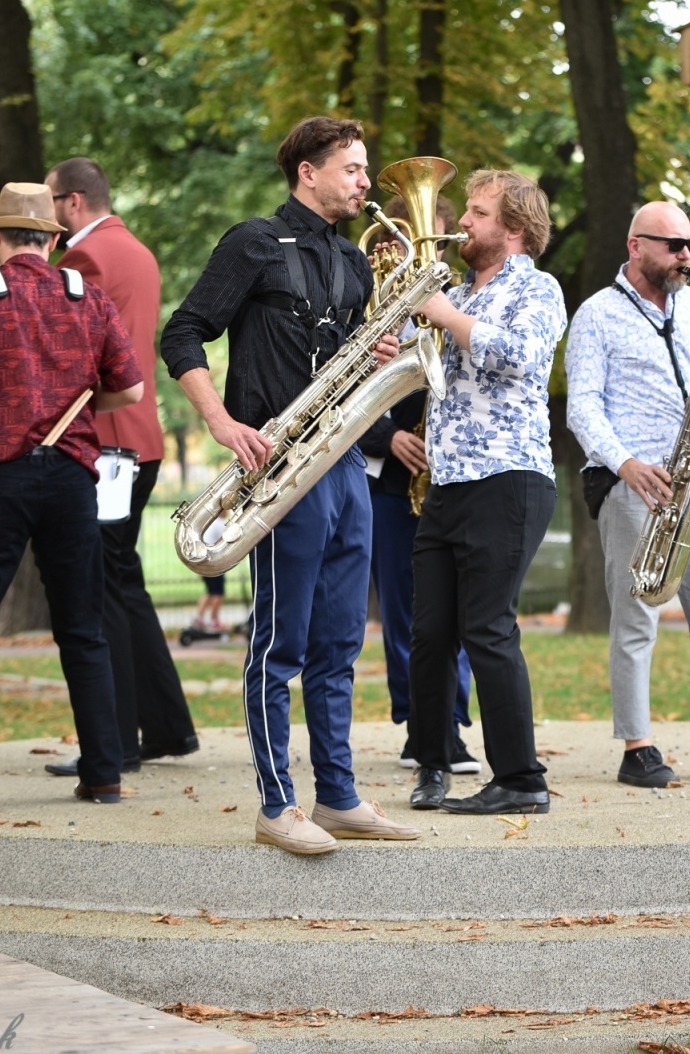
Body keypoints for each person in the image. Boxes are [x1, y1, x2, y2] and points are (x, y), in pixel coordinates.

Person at [160, 116, 420, 854]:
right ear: (308, 171)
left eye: (366, 169)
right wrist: (218, 421)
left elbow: (337, 369)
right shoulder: (252, 243)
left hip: (343, 467)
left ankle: (336, 796)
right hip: (277, 468)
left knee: (340, 641)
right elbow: (182, 333)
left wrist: (378, 359)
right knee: (280, 643)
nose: (367, 182)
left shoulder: (354, 261)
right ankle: (276, 805)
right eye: (353, 168)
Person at [0, 182, 144, 814]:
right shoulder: (85, 295)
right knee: (83, 632)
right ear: (51, 238)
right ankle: (104, 775)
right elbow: (131, 392)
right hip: (69, 478)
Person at [371, 170, 565, 816]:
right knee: (429, 635)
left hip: (509, 476)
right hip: (449, 480)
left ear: (513, 231)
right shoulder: (452, 290)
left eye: (478, 214)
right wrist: (389, 349)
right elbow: (416, 370)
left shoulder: (536, 288)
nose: (463, 224)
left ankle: (520, 779)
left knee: (487, 627)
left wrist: (444, 314)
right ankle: (432, 764)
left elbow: (519, 357)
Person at [565, 201, 690, 788]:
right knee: (636, 619)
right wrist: (626, 465)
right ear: (635, 246)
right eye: (673, 245)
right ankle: (637, 746)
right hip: (637, 482)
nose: (686, 256)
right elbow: (582, 407)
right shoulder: (596, 315)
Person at [37, 157, 201, 779]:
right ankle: (165, 728)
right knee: (124, 586)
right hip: (140, 438)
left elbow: (52, 340)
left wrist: (3, 270)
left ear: (72, 202)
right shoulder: (135, 249)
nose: (43, 216)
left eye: (49, 202)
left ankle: (117, 741)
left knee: (98, 590)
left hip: (102, 442)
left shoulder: (86, 259)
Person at [356, 193, 477, 773]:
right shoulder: (371, 304)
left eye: (431, 236)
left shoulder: (463, 303)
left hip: (451, 473)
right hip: (389, 479)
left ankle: (452, 722)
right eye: (408, 240)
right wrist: (385, 437)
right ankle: (416, 725)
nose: (418, 249)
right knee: (404, 611)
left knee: (455, 608)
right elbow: (344, 390)